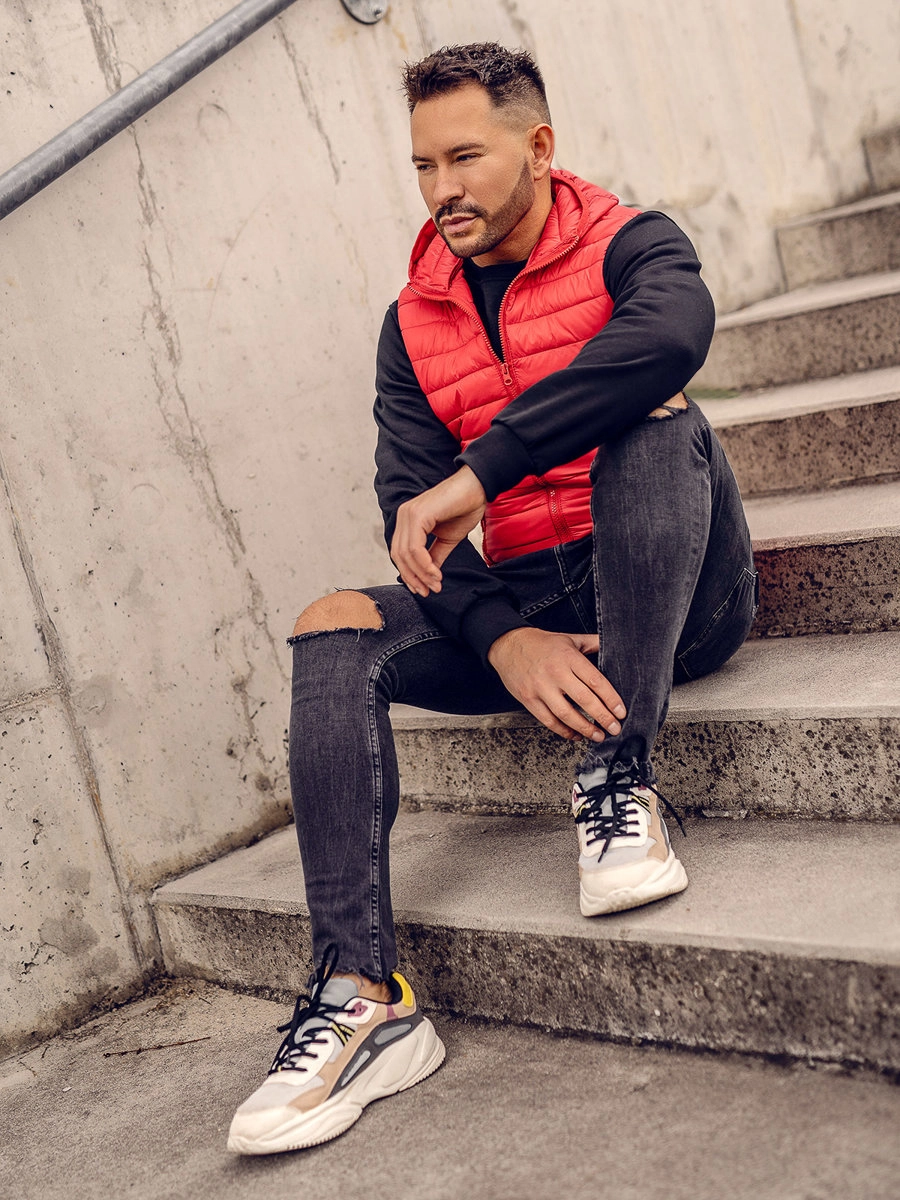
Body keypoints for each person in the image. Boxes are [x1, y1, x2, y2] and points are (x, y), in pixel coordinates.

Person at [227, 42, 757, 1155]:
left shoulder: (633, 244)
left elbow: (671, 339)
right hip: (524, 601)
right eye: (424, 165)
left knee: (653, 410)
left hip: (675, 594)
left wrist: (485, 472)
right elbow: (408, 502)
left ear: (539, 146)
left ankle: (618, 771)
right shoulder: (412, 319)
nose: (443, 189)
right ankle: (363, 995)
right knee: (333, 625)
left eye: (465, 157)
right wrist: (504, 636)